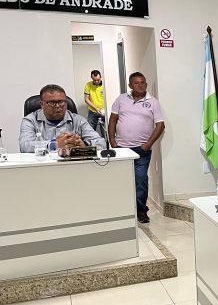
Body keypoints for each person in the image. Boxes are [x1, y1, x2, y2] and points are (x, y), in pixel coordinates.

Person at [108, 72, 165, 223]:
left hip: (141, 150)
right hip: (121, 148)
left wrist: (148, 144)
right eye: (136, 83)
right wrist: (112, 141)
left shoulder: (153, 102)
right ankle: (122, 210)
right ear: (130, 85)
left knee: (140, 180)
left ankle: (141, 211)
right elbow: (113, 119)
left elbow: (160, 125)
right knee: (121, 180)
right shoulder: (121, 99)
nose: (140, 85)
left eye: (143, 82)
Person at [19, 84, 105, 153]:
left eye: (61, 102)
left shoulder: (78, 120)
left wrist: (84, 145)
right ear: (42, 104)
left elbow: (101, 143)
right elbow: (25, 145)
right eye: (52, 103)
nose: (58, 106)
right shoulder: (30, 120)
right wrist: (54, 144)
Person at [84, 70, 105, 134]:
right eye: (94, 80)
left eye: (98, 80)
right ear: (91, 78)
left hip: (104, 111)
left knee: (105, 131)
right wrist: (96, 108)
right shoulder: (88, 85)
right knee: (90, 131)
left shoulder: (105, 84)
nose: (96, 82)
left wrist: (103, 110)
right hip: (92, 111)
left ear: (101, 77)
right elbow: (86, 99)